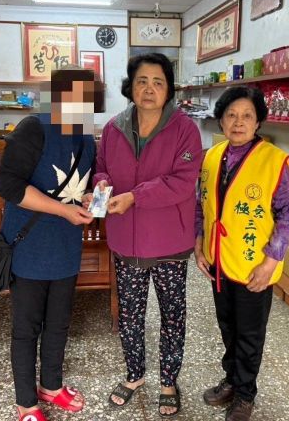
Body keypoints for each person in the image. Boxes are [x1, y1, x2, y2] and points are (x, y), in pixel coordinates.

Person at [91, 53, 202, 417]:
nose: (149, 89)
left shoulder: (185, 129)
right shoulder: (114, 128)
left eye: (158, 82)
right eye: (142, 81)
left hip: (170, 243)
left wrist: (135, 196)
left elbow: (182, 182)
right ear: (131, 87)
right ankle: (135, 375)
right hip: (127, 241)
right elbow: (101, 168)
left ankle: (168, 382)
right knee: (129, 315)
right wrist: (102, 186)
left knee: (172, 314)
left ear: (168, 89)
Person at [0, 67, 103, 421]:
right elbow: (8, 185)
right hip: (30, 246)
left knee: (59, 322)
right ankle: (26, 403)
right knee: (27, 328)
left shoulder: (86, 137)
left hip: (67, 247)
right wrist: (63, 210)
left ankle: (51, 386)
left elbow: (85, 183)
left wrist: (88, 197)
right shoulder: (33, 128)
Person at [194, 86, 289, 421]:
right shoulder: (212, 156)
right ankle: (232, 379)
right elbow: (201, 205)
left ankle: (246, 394)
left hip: (254, 266)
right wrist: (199, 243)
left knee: (250, 334)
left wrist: (271, 262)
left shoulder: (273, 161)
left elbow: (287, 216)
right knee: (228, 327)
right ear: (221, 121)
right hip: (219, 262)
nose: (238, 122)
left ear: (258, 122)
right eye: (231, 115)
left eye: (247, 116)